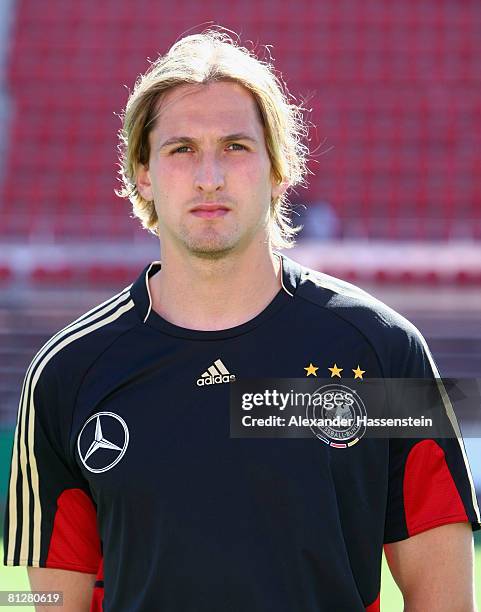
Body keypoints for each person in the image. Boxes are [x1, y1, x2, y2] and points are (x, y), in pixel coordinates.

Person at [3, 29, 480, 612]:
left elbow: (445, 596)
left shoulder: (384, 350)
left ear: (279, 168)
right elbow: (53, 598)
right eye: (181, 149)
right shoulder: (67, 373)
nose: (210, 177)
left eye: (235, 146)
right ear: (143, 174)